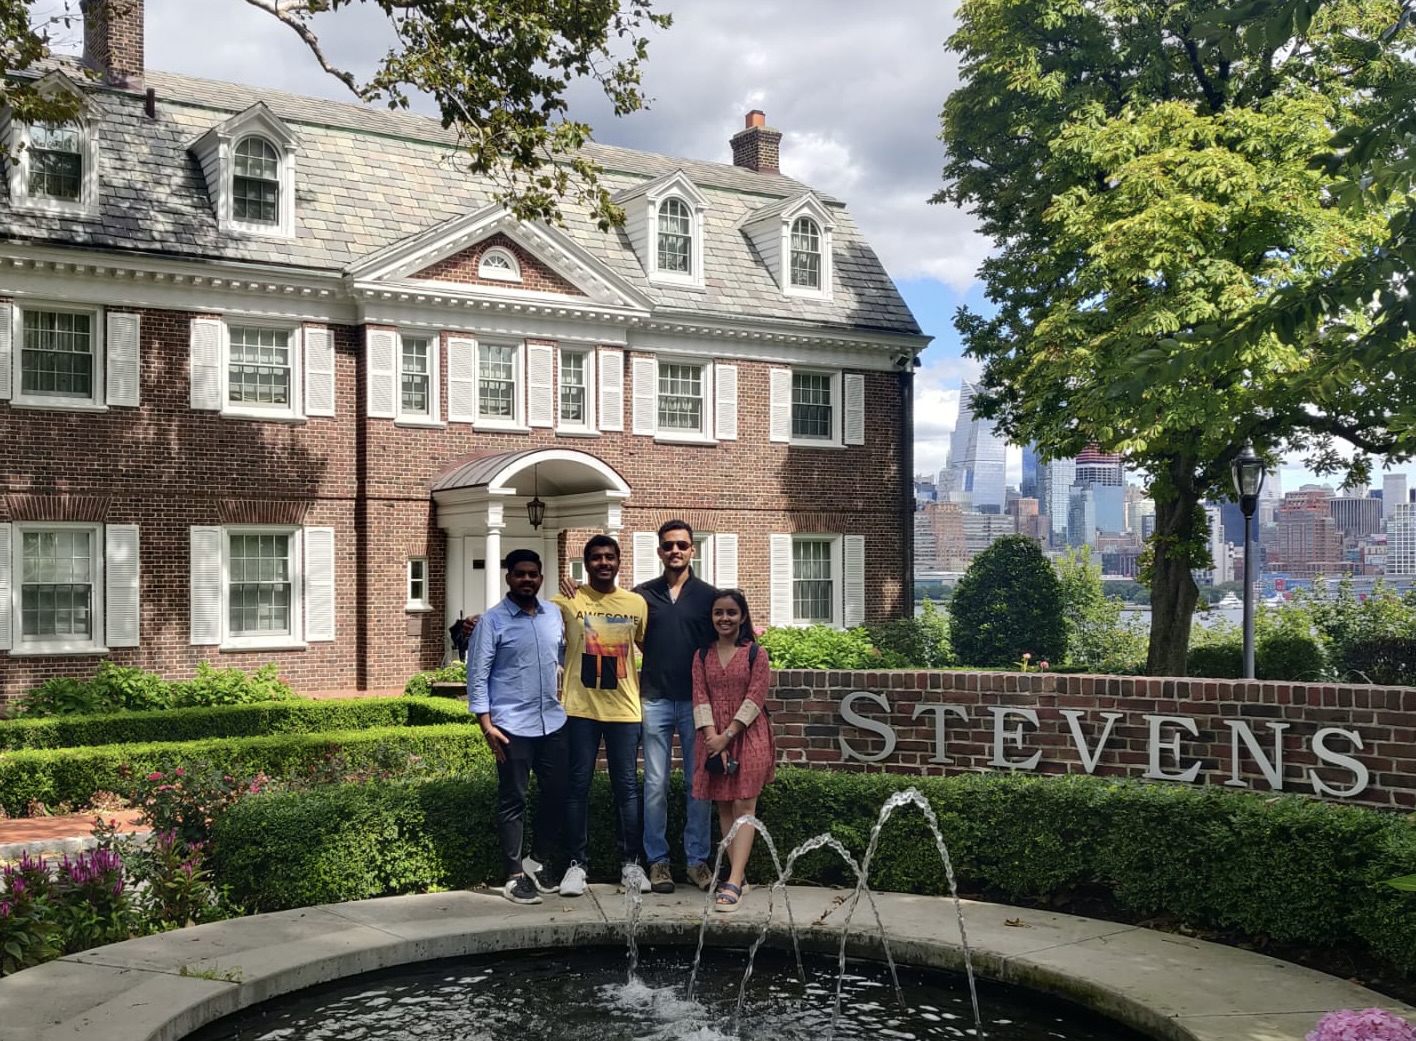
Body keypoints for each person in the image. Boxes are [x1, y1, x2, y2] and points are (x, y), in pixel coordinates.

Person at [466, 549, 568, 905]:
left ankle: (536, 861)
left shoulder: (553, 615)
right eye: (520, 574)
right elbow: (476, 676)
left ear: (541, 577)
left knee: (559, 793)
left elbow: (565, 656)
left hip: (552, 723)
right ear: (508, 577)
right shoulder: (492, 622)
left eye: (533, 574)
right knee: (514, 800)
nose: (527, 579)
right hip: (511, 726)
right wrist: (485, 725)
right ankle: (512, 875)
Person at [553, 535, 650, 896]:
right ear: (586, 562)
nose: (603, 563)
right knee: (577, 787)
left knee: (626, 789)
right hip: (580, 709)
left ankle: (632, 865)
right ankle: (576, 866)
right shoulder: (568, 599)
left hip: (624, 710)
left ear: (619, 561)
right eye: (596, 557)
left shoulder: (636, 603)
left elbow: (650, 646)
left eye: (610, 557)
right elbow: (530, 611)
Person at [633, 520, 717, 894]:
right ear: (659, 551)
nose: (675, 551)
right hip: (654, 698)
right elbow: (631, 637)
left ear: (693, 549)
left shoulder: (709, 597)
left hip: (697, 703)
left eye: (682, 544)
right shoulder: (642, 596)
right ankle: (658, 862)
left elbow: (724, 644)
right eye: (668, 545)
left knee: (697, 784)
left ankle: (697, 862)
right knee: (655, 784)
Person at [692, 588, 775, 912]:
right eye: (718, 613)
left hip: (748, 735)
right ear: (711, 618)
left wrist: (727, 735)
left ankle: (734, 880)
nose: (724, 618)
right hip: (713, 737)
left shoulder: (757, 654)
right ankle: (737, 878)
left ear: (742, 617)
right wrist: (713, 737)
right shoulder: (701, 655)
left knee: (745, 804)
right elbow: (699, 696)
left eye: (731, 613)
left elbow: (756, 698)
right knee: (724, 805)